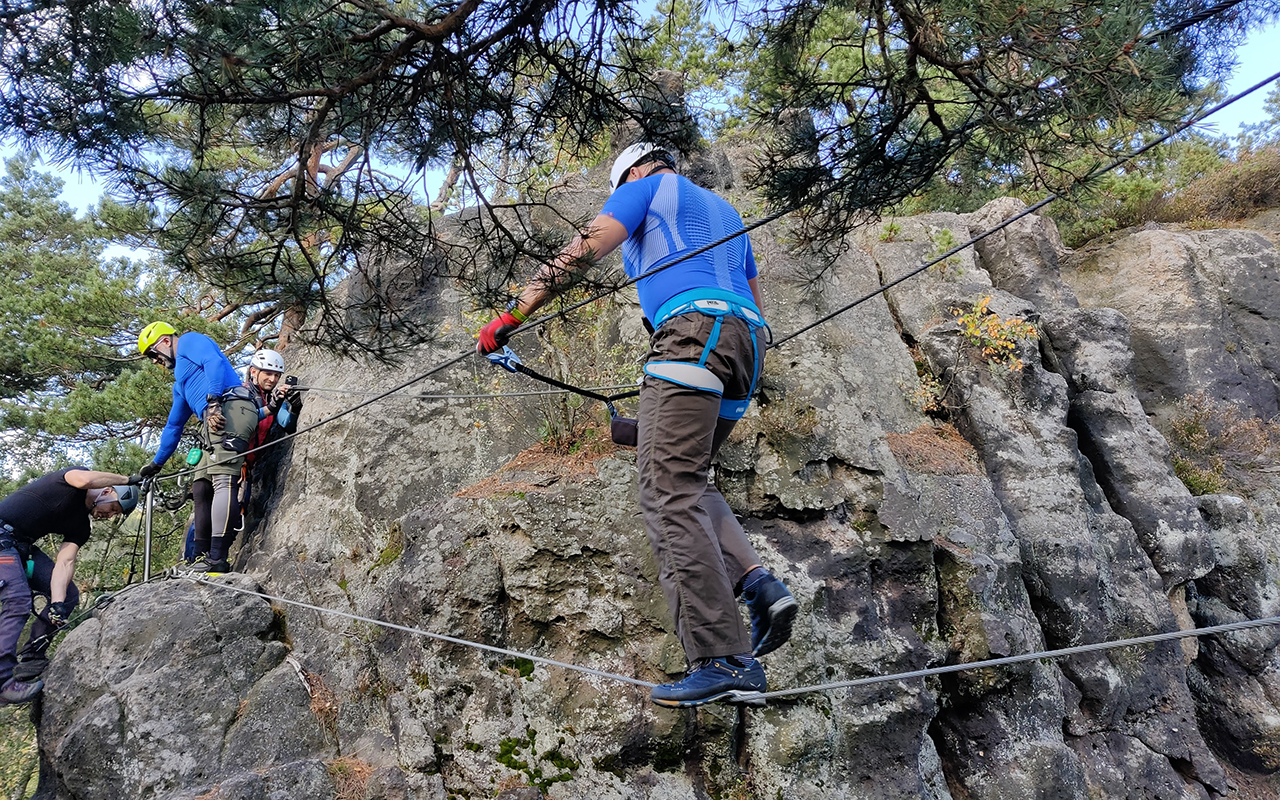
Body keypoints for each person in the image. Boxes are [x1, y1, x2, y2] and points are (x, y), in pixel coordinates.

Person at [476, 143, 798, 707]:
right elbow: (753, 295)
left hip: (691, 334)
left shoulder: (643, 188)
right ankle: (757, 582)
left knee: (666, 495)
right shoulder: (724, 210)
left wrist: (513, 312)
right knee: (691, 482)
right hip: (745, 345)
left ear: (634, 172)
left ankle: (723, 657)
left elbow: (586, 248)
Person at [0, 468, 140, 703]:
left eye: (116, 514)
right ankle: (2, 681)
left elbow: (65, 563)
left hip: (20, 548)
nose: (110, 515)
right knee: (17, 600)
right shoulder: (71, 481)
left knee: (68, 595)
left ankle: (32, 656)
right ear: (107, 490)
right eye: (114, 508)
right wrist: (127, 480)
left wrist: (56, 603)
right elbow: (85, 480)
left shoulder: (81, 527)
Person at [137, 322, 258, 576]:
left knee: (224, 482)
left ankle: (217, 559)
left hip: (229, 409)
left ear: (165, 342)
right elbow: (173, 426)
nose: (154, 361)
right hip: (214, 417)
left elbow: (213, 361)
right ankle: (200, 555)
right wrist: (155, 464)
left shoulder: (189, 341)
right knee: (201, 486)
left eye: (152, 353)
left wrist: (213, 401)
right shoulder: (180, 382)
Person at [180, 348, 304, 561]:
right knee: (208, 505)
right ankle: (194, 559)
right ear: (254, 371)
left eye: (276, 375)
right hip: (226, 459)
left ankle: (213, 558)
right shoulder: (237, 393)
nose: (273, 379)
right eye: (268, 373)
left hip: (244, 465)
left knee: (233, 512)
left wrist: (294, 405)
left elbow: (287, 424)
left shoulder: (273, 400)